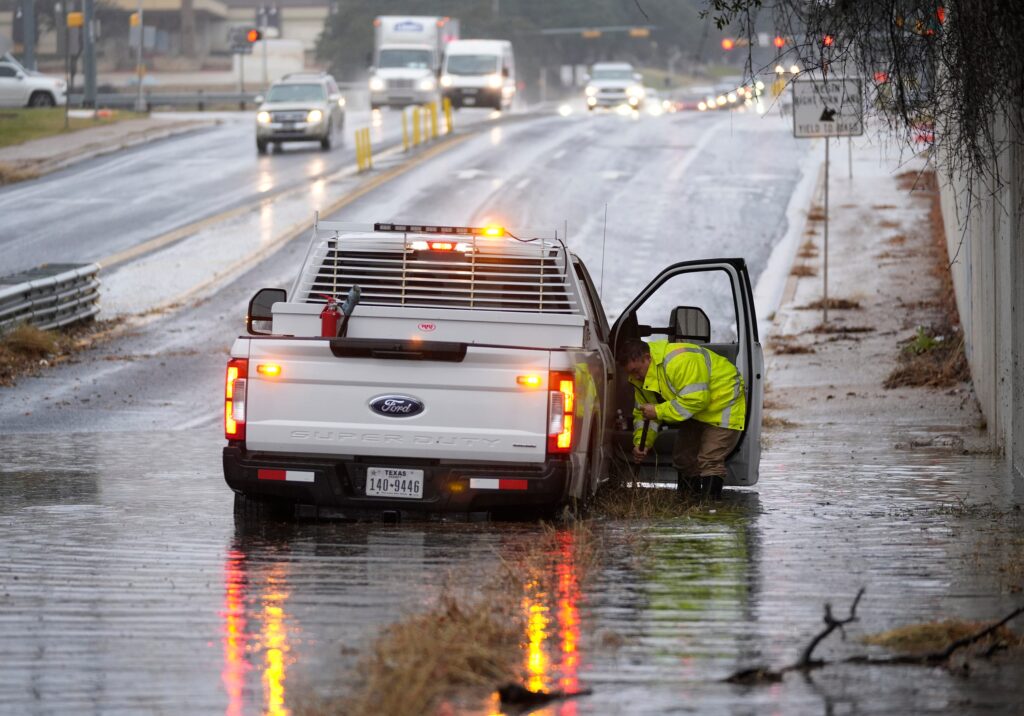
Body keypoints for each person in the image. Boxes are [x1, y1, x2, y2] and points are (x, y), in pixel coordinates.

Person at [619, 338, 746, 499]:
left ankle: (711, 513)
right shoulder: (641, 377)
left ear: (647, 357)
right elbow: (644, 413)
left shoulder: (679, 361)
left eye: (636, 370)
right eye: (630, 372)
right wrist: (642, 443)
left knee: (710, 458)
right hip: (695, 410)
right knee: (683, 458)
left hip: (723, 403)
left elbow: (697, 399)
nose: (634, 376)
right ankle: (687, 506)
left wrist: (658, 411)